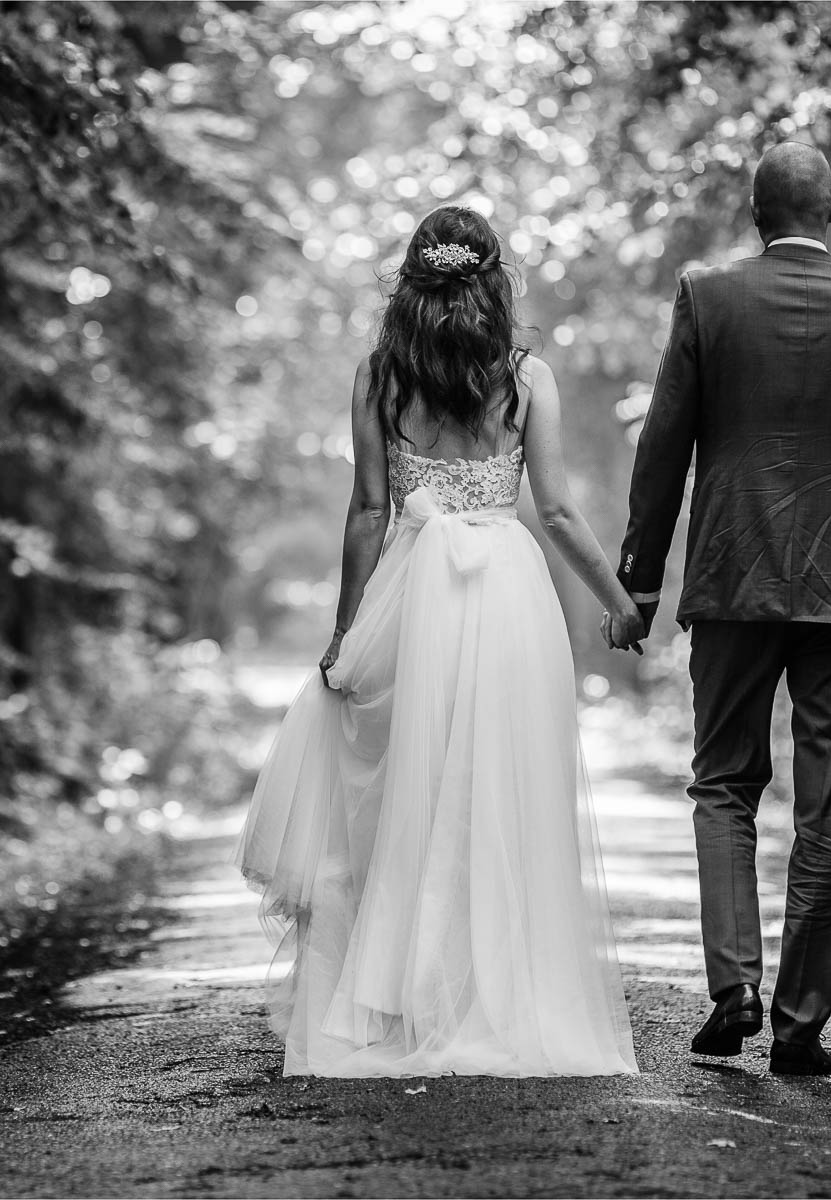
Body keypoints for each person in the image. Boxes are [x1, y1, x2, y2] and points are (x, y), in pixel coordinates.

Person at [234, 203, 642, 1078]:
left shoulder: (380, 377)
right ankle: (491, 986)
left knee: (402, 791)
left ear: (411, 282)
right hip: (507, 595)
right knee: (499, 789)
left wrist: (347, 631)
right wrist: (619, 602)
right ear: (494, 281)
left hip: (413, 590)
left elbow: (371, 512)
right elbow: (560, 512)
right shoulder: (529, 379)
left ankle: (394, 996)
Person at [618, 142, 831, 1077]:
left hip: (734, 574)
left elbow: (663, 448)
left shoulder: (708, 298)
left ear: (757, 214)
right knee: (829, 801)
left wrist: (643, 580)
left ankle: (734, 990)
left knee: (723, 784)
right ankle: (800, 1025)